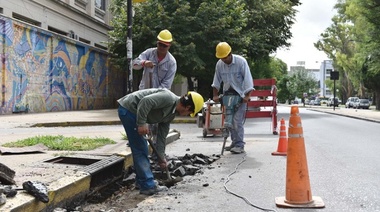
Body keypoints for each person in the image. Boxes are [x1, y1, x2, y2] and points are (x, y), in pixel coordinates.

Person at [117, 88, 204, 195]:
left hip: (133, 112)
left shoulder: (171, 114)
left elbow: (162, 136)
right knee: (141, 148)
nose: (187, 115)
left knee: (140, 148)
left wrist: (161, 157)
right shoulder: (168, 98)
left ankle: (141, 182)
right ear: (188, 107)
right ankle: (147, 186)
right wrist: (141, 123)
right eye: (190, 112)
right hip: (129, 109)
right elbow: (145, 101)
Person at [132, 29, 177, 149]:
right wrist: (144, 63)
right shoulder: (149, 53)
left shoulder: (171, 62)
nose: (161, 47)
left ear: (169, 46)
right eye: (159, 44)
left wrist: (156, 97)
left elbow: (166, 85)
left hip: (158, 97)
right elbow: (134, 64)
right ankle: (137, 141)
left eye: (164, 45)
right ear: (157, 43)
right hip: (143, 91)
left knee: (154, 121)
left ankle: (154, 146)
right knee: (139, 118)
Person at [211, 42, 254, 154]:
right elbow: (216, 81)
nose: (223, 60)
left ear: (230, 53)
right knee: (229, 120)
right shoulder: (219, 64)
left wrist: (247, 96)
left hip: (240, 95)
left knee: (236, 121)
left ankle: (240, 145)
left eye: (225, 57)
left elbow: (248, 80)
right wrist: (215, 95)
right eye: (221, 58)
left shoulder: (241, 62)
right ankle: (234, 142)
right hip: (227, 95)